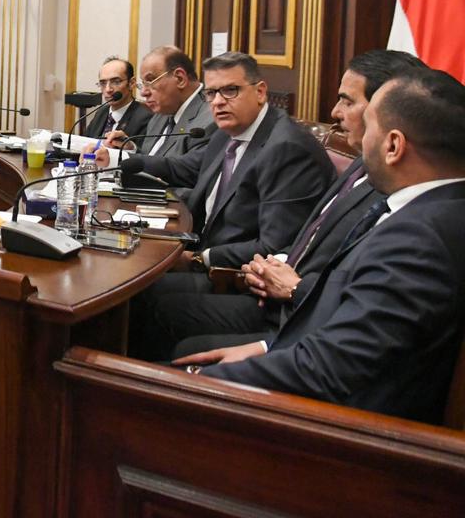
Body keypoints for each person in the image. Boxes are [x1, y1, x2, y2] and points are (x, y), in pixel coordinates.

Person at [176, 68, 465, 424]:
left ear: (393, 146)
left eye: (369, 126)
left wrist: (196, 381)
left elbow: (330, 369)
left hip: (334, 433)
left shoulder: (418, 238)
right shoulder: (438, 210)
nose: (359, 139)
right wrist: (268, 348)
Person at [147, 50, 424, 358]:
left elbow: (350, 290)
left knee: (157, 306)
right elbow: (311, 238)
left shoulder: (294, 149)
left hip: (287, 305)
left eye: (347, 101)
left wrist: (203, 261)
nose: (334, 112)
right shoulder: (363, 164)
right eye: (211, 93)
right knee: (150, 293)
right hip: (269, 282)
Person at [102, 52, 333, 360]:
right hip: (205, 252)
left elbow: (273, 245)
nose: (219, 102)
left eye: (230, 90)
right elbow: (185, 168)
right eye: (211, 93)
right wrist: (121, 158)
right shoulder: (229, 131)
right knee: (125, 276)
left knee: (143, 297)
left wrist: (198, 259)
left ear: (260, 92)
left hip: (240, 280)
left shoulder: (286, 148)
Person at [105, 46, 212, 158]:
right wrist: (131, 149)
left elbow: (183, 167)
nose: (143, 93)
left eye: (150, 81)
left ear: (180, 79)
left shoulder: (209, 121)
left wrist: (124, 160)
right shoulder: (160, 115)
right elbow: (153, 158)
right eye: (143, 84)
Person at [84, 56, 151, 140]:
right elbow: (86, 141)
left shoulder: (145, 117)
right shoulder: (102, 112)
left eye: (116, 82)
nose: (108, 89)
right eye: (103, 83)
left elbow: (144, 148)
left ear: (131, 83)